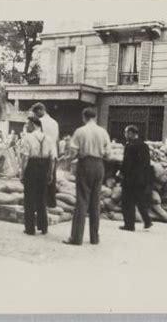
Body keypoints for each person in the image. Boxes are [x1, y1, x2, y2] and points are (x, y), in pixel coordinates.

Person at [63, 108, 111, 245]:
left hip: (85, 164)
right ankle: (94, 238)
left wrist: (68, 160)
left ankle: (76, 238)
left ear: (84, 117)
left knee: (82, 200)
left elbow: (73, 153)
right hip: (99, 165)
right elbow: (109, 154)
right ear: (95, 117)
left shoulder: (80, 131)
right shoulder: (103, 132)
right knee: (95, 201)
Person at [20, 116, 56, 235]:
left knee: (29, 199)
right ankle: (43, 226)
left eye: (28, 124)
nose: (26, 126)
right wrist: (50, 173)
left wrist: (22, 173)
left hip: (32, 167)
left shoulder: (28, 137)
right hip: (44, 167)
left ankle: (30, 228)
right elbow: (52, 158)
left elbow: (25, 157)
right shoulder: (49, 139)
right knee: (42, 198)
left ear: (34, 124)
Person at [118, 125, 153, 231]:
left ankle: (129, 225)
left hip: (130, 179)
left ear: (131, 133)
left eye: (126, 132)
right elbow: (147, 164)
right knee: (140, 200)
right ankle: (147, 221)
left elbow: (127, 163)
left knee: (127, 201)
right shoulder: (145, 145)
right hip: (142, 179)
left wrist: (121, 173)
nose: (125, 135)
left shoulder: (129, 146)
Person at [31, 103, 59, 210]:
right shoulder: (55, 122)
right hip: (53, 153)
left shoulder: (40, 122)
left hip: (42, 154)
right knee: (51, 179)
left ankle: (39, 203)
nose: (36, 116)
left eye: (36, 113)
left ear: (40, 111)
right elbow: (56, 139)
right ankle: (51, 203)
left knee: (39, 180)